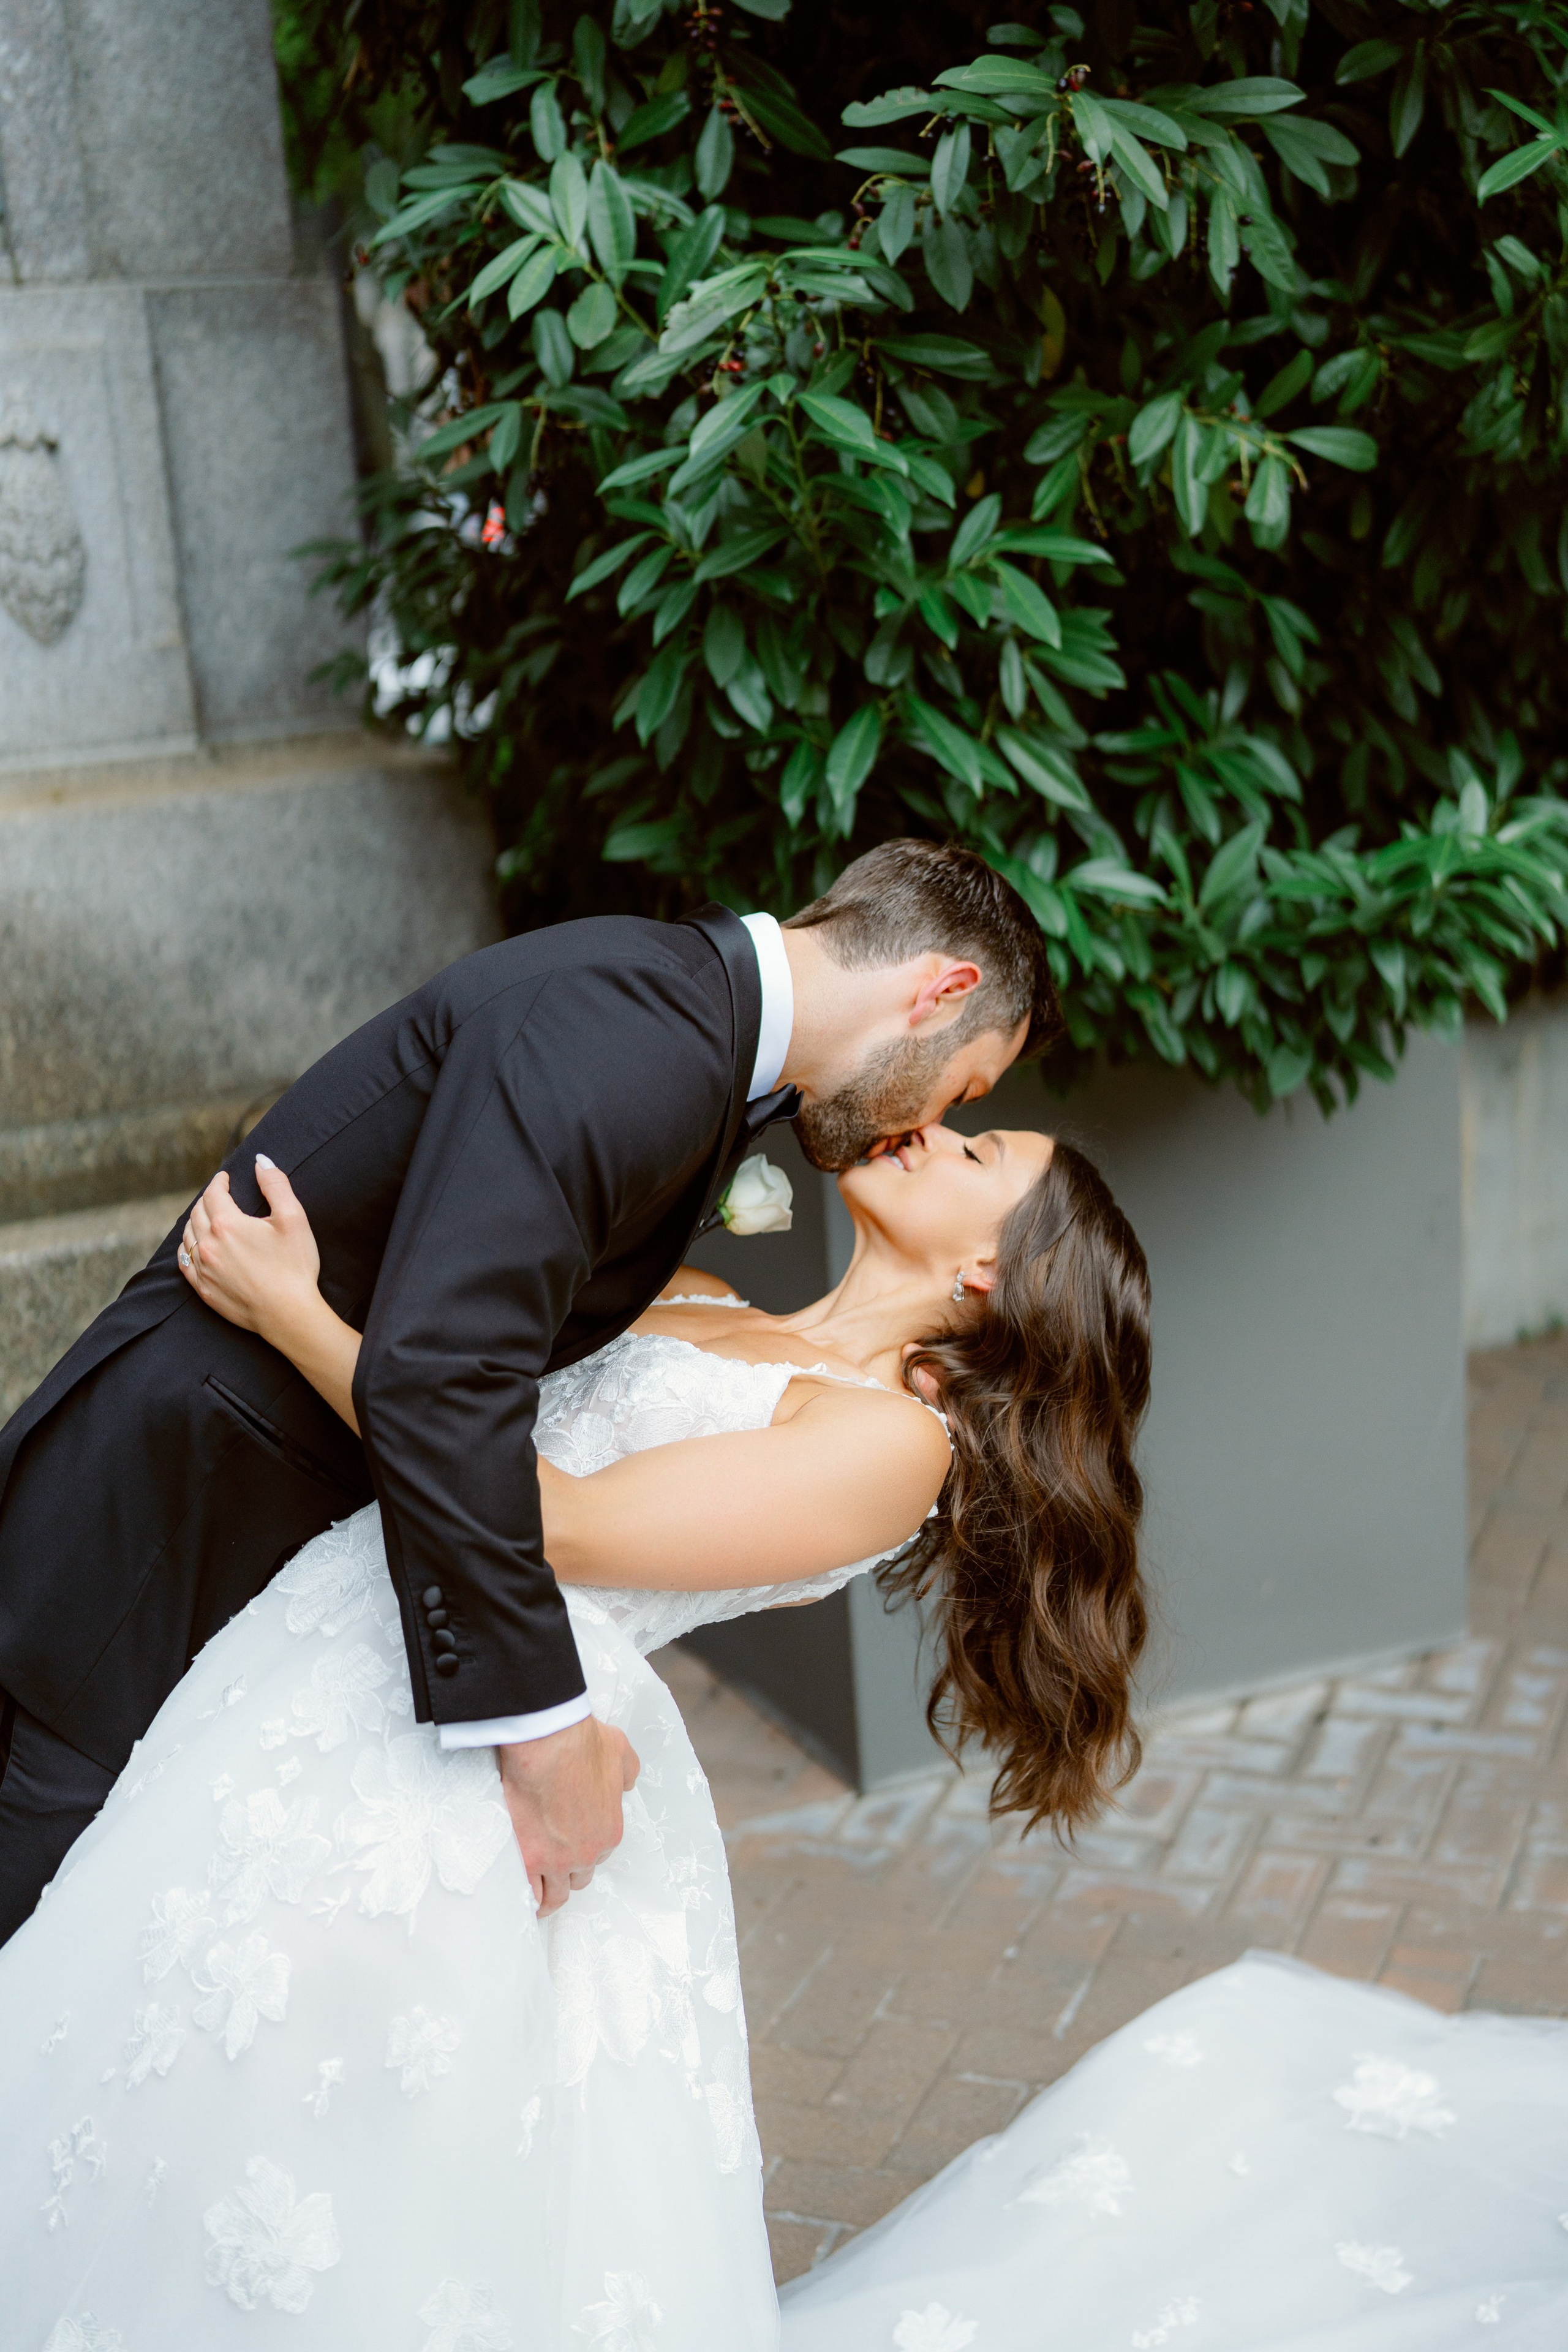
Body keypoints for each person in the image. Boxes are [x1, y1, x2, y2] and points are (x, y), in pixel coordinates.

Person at [0, 1112, 1150, 2346]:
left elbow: (550, 1522)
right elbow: (456, 1382)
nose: (932, 1130)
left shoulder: (888, 1444)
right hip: (317, 1649)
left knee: (311, 2089)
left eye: (976, 1157)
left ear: (989, 1270)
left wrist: (295, 1314)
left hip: (486, 1741)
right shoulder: (701, 1294)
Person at [0, 841, 1057, 1944]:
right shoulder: (638, 1031)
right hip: (170, 1519)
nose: (933, 1119)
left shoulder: (681, 1031)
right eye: (967, 1083)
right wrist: (549, 1735)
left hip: (270, 1558)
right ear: (942, 991)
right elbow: (446, 1374)